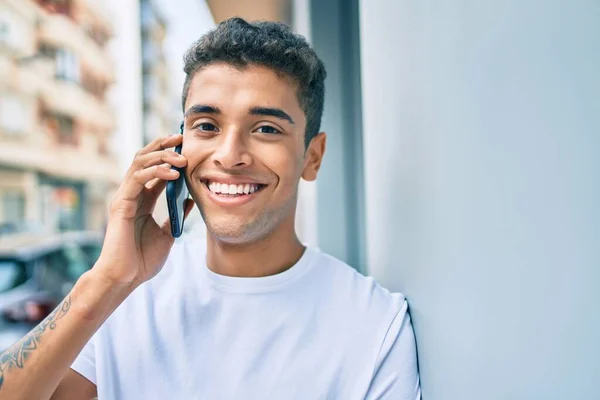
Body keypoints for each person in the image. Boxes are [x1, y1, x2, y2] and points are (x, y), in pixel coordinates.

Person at [0, 18, 420, 399]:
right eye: (207, 126)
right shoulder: (123, 299)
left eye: (266, 129)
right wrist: (107, 281)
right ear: (177, 145)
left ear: (312, 156)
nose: (230, 154)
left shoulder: (376, 325)